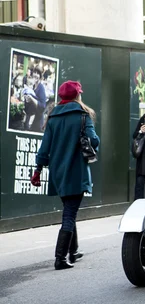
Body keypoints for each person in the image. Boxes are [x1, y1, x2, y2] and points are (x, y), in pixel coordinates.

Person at [31, 81, 100, 270]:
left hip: (58, 173)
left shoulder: (52, 118)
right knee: (69, 214)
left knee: (69, 209)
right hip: (76, 172)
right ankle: (60, 258)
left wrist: (37, 170)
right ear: (78, 96)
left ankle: (73, 250)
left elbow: (44, 148)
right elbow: (93, 140)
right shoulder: (83, 116)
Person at [24, 65, 47, 132]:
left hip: (37, 123)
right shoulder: (33, 86)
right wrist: (27, 99)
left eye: (38, 73)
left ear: (40, 76)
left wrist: (31, 98)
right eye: (35, 72)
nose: (36, 75)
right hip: (31, 121)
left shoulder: (41, 88)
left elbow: (42, 106)